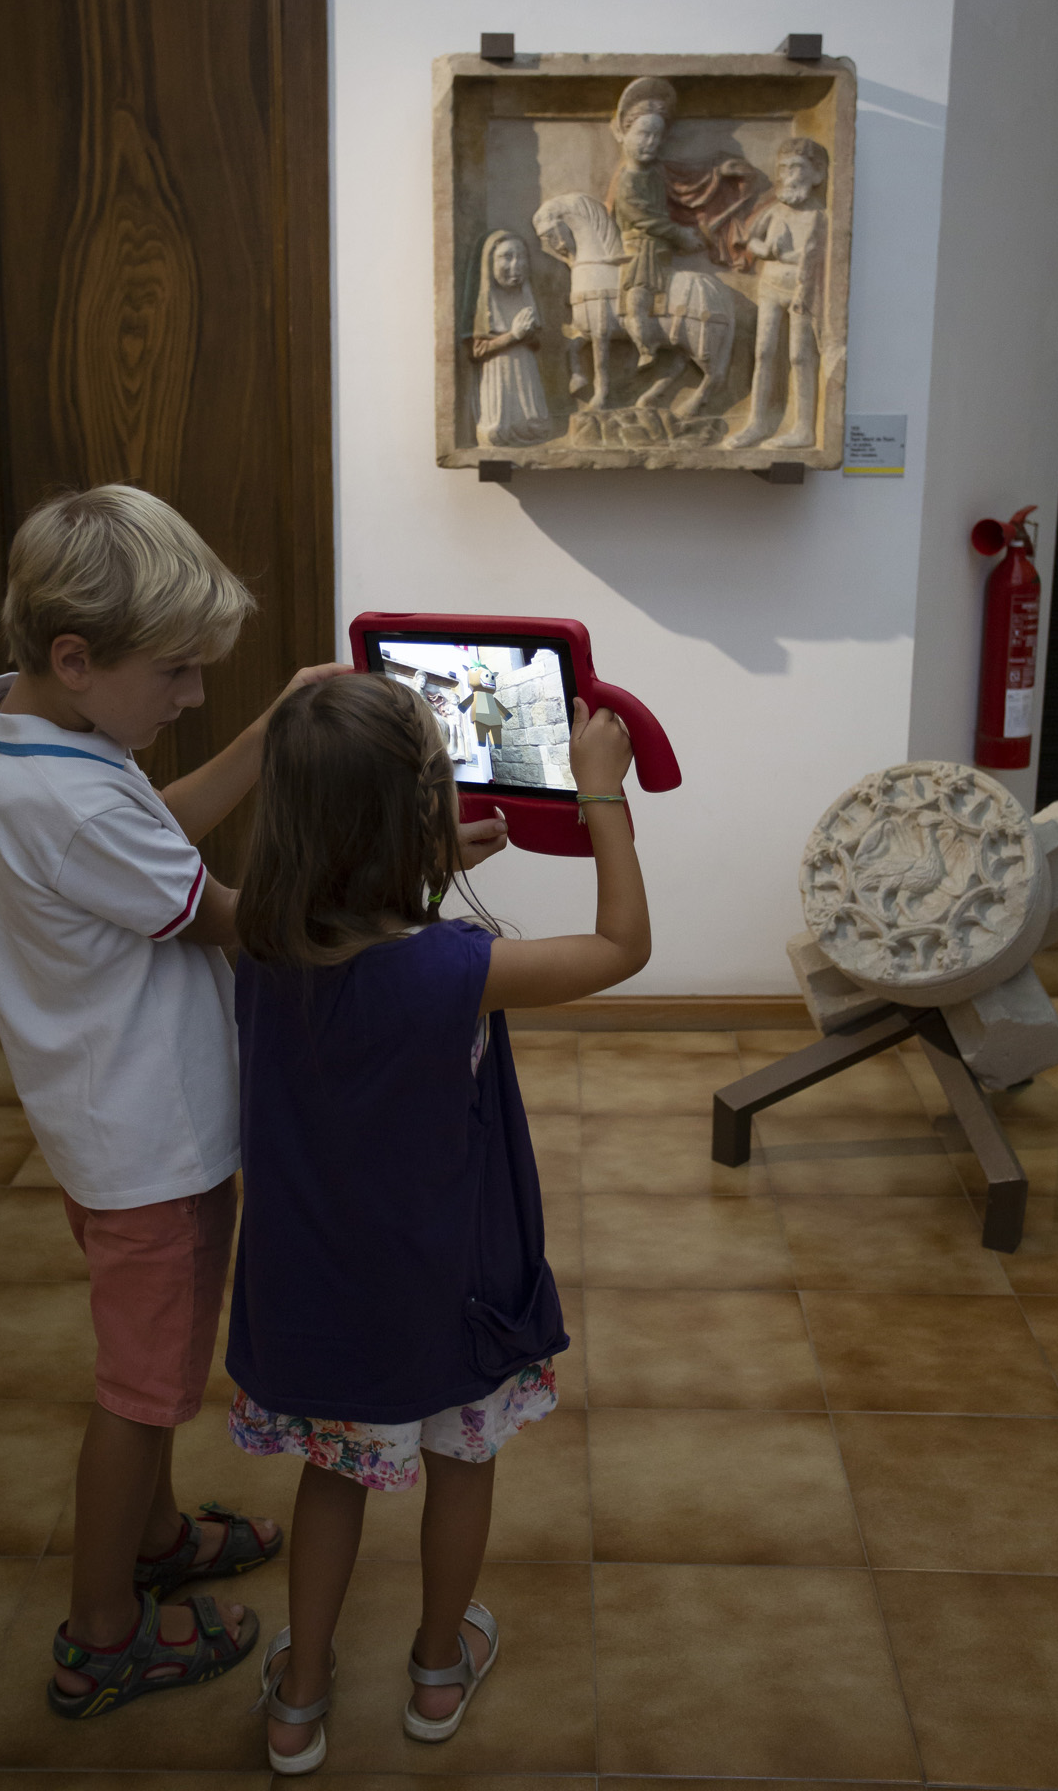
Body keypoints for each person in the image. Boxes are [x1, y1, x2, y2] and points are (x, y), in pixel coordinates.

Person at [0, 482, 514, 1720]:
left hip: (99, 1120)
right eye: (176, 672)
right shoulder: (72, 800)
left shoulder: (20, 736)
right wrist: (409, 860)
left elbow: (147, 832)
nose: (195, 695)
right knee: (144, 1386)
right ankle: (102, 1632)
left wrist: (270, 734)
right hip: (150, 1145)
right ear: (76, 658)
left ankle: (154, 1537)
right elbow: (241, 922)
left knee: (145, 1364)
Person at [224, 673, 650, 1772]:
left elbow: (345, 924)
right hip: (446, 1290)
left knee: (335, 1476)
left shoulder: (258, 941)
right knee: (462, 1463)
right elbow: (620, 946)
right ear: (422, 809)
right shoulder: (460, 970)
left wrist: (417, 862)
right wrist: (601, 794)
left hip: (318, 1293)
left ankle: (299, 1700)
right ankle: (434, 1669)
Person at [723, 136, 828, 451]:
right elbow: (750, 240)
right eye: (783, 169)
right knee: (764, 353)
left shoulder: (819, 216)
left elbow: (820, 255)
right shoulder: (775, 211)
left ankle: (804, 429)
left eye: (796, 168)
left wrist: (792, 256)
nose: (788, 176)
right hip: (770, 288)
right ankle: (757, 423)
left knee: (800, 356)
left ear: (817, 174)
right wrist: (766, 249)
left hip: (802, 290)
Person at [606, 77, 706, 370]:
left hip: (656, 253)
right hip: (639, 253)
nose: (651, 143)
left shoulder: (655, 173)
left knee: (640, 298)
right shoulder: (627, 180)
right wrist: (679, 234)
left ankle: (653, 345)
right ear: (624, 133)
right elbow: (643, 218)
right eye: (643, 134)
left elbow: (684, 183)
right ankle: (645, 346)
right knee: (636, 299)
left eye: (657, 136)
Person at [461, 229, 553, 446]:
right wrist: (513, 335)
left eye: (521, 257)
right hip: (497, 373)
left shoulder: (525, 295)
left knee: (539, 428)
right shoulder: (484, 302)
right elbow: (477, 350)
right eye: (507, 257)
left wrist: (527, 335)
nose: (516, 265)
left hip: (525, 371)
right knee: (495, 434)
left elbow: (535, 343)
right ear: (489, 262)